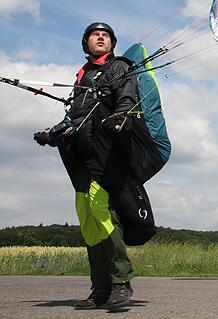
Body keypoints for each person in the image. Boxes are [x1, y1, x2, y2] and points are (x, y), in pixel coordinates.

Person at [34, 22, 136, 309]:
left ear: (112, 43)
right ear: (86, 44)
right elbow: (76, 117)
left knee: (100, 212)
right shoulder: (83, 77)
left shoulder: (120, 68)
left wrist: (122, 113)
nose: (100, 37)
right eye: (95, 34)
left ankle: (121, 282)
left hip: (105, 153)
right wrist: (52, 134)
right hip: (82, 155)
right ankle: (100, 287)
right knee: (87, 220)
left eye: (105, 35)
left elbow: (127, 94)